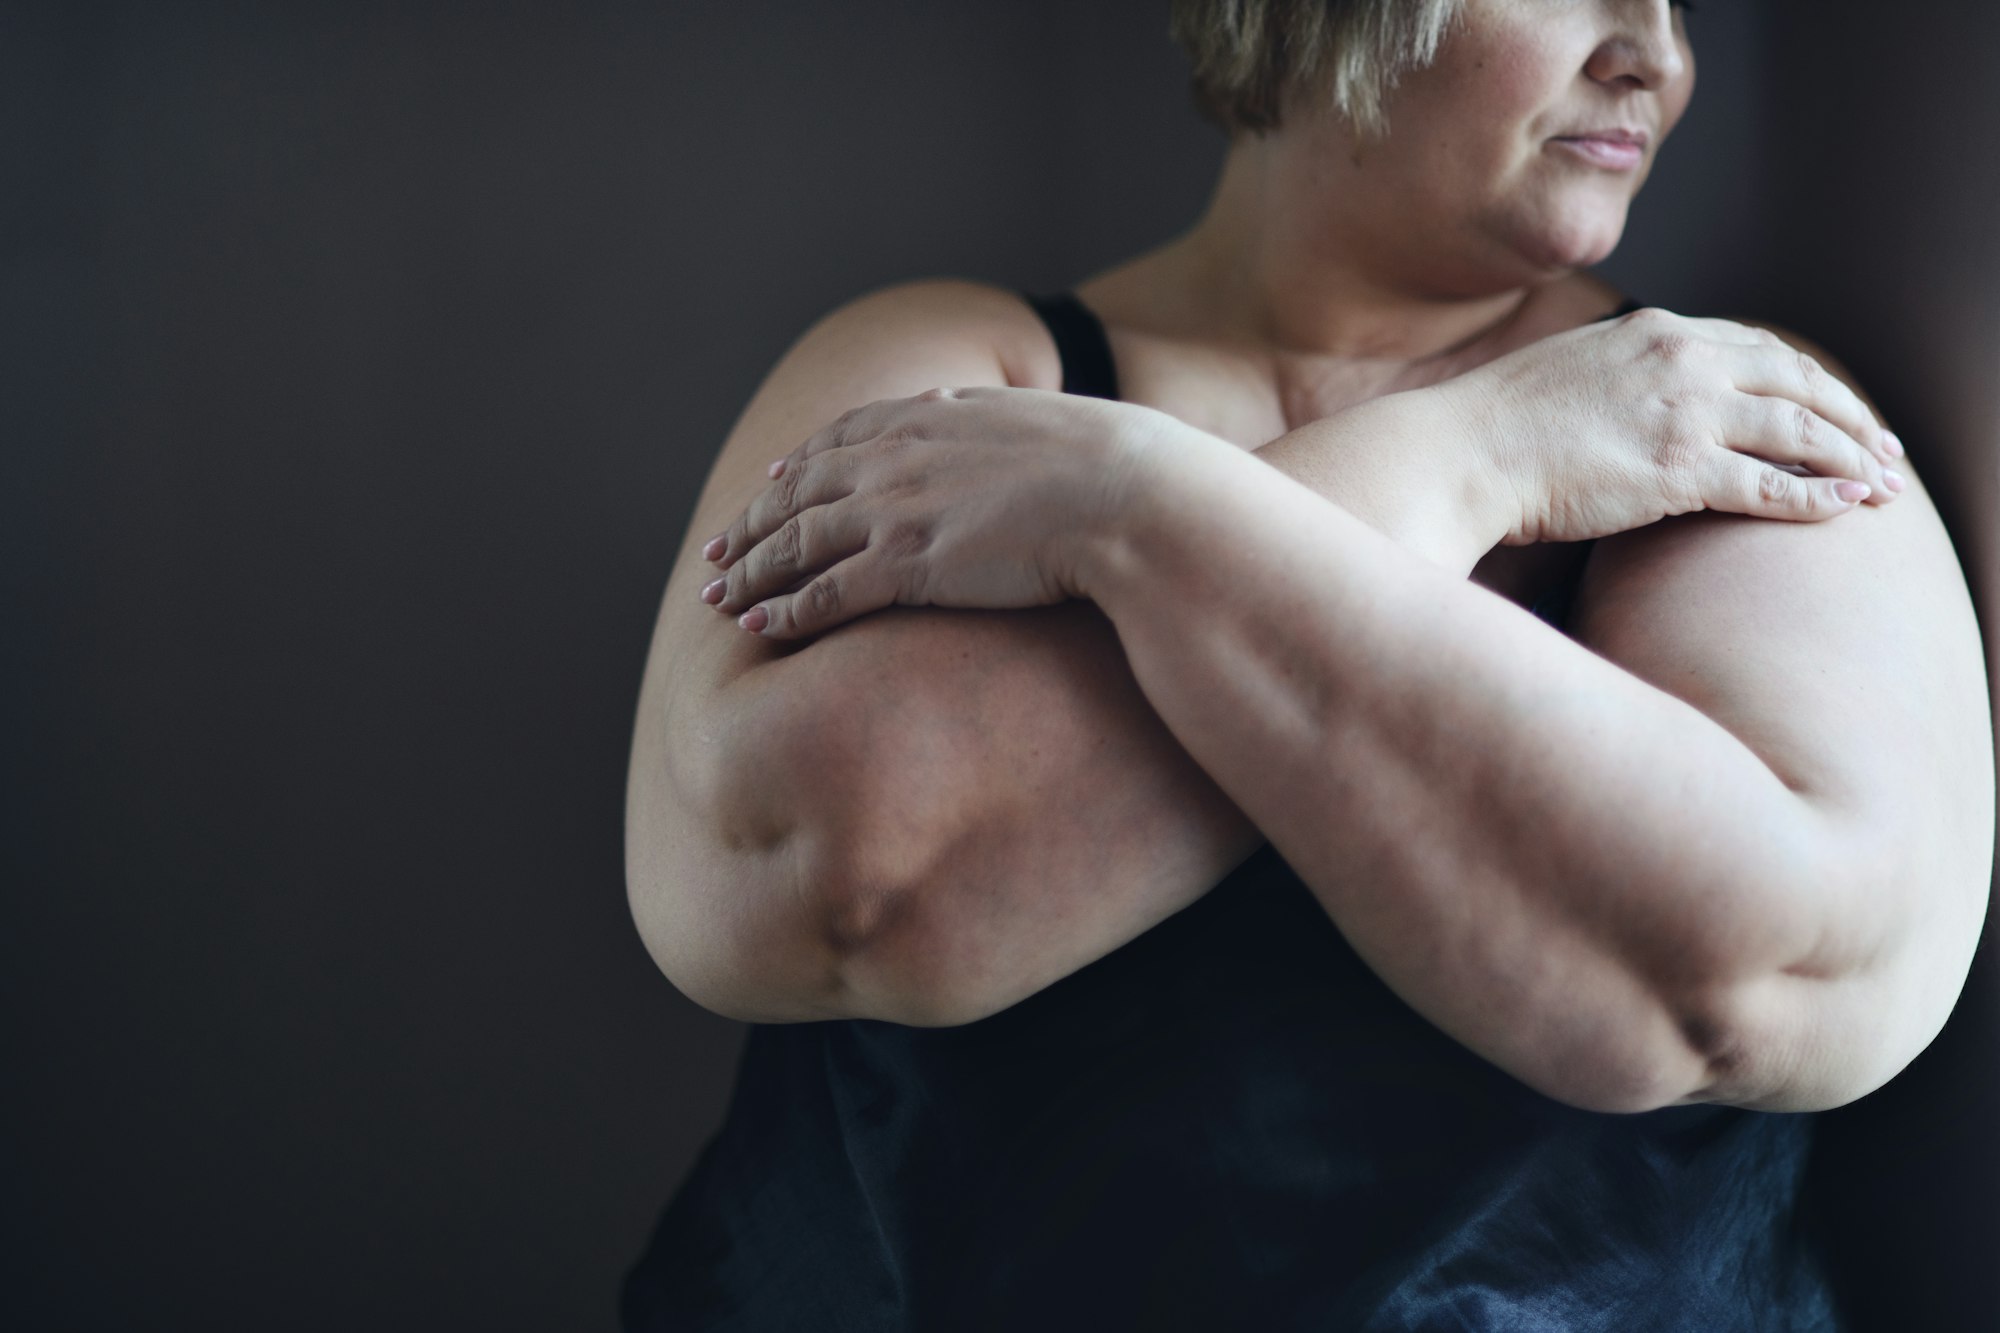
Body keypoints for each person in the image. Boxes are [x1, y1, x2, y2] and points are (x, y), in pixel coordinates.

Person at [621, 0, 1994, 1327]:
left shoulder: (1714, 409)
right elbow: (844, 875)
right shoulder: (948, 360)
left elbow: (1739, 970)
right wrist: (1460, 462)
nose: (1657, 55)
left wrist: (1130, 513)